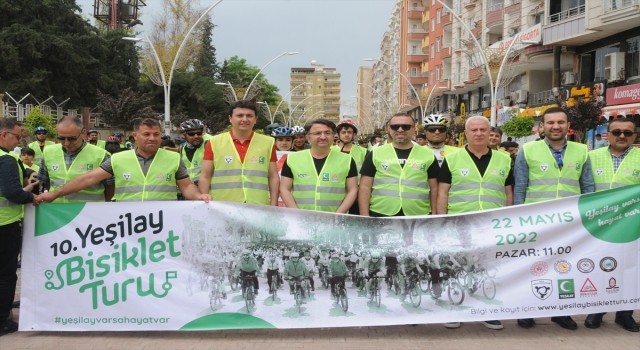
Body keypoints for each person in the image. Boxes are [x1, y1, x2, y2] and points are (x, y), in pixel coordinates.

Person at [514, 107, 594, 330]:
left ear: (568, 126)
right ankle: (527, 310)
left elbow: (587, 187)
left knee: (565, 267)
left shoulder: (581, 150)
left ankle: (561, 312)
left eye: (561, 122)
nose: (556, 126)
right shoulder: (527, 149)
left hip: (570, 223)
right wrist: (517, 217)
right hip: (535, 221)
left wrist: (589, 217)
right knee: (531, 267)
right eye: (550, 122)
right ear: (542, 127)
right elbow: (520, 185)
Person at [436, 115, 513, 330]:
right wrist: (443, 219)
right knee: (458, 265)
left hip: (491, 222)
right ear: (466, 134)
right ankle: (455, 308)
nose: (479, 134)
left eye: (483, 130)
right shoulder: (452, 159)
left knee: (486, 266)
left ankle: (486, 310)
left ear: (490, 133)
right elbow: (442, 193)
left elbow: (508, 192)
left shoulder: (505, 159)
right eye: (474, 130)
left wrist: (507, 218)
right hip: (460, 221)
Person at [37, 118, 211, 203]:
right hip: (127, 224)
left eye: (156, 134)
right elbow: (89, 178)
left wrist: (199, 196)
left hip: (162, 222)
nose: (152, 138)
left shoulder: (173, 158)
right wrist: (55, 194)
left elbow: (187, 186)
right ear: (135, 136)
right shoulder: (117, 159)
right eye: (146, 134)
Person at [584, 117, 639, 332]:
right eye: (617, 132)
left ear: (635, 136)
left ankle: (625, 315)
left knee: (630, 270)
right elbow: (584, 188)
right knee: (600, 268)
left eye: (628, 133)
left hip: (632, 224)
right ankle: (597, 310)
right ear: (607, 135)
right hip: (599, 225)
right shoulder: (591, 157)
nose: (622, 136)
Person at [359, 113, 440, 245]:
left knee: (415, 256)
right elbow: (364, 186)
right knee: (383, 256)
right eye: (395, 126)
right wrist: (364, 215)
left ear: (414, 129)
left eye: (406, 126)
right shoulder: (375, 153)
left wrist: (435, 215)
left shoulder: (427, 154)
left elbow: (434, 187)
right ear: (388, 129)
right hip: (381, 213)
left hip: (418, 214)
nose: (400, 130)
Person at [198, 100, 280, 205]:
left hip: (258, 206)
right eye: (240, 115)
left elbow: (273, 176)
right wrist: (204, 202)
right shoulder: (214, 142)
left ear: (256, 119)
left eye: (249, 116)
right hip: (222, 206)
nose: (244, 119)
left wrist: (273, 204)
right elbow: (205, 176)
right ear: (230, 118)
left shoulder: (268, 142)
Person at [0, 118, 39, 337]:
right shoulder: (6, 158)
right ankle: (2, 321)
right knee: (6, 274)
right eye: (17, 137)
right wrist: (30, 195)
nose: (19, 142)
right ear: (4, 135)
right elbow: (12, 193)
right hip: (5, 224)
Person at [280, 119, 358, 213]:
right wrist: (297, 213)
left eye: (327, 133)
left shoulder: (347, 160)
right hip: (301, 219)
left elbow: (353, 190)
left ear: (333, 136)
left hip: (335, 221)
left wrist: (337, 215)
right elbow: (284, 189)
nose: (323, 137)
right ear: (308, 138)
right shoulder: (292, 159)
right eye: (317, 133)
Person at [38, 116, 114, 203]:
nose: (66, 143)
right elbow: (45, 182)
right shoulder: (48, 151)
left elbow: (110, 188)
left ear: (83, 132)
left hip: (88, 213)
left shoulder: (101, 155)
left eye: (71, 138)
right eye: (61, 138)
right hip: (57, 212)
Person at [179, 119, 208, 188]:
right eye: (191, 134)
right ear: (184, 135)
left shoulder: (208, 144)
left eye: (199, 133)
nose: (196, 136)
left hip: (207, 190)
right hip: (191, 191)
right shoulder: (182, 148)